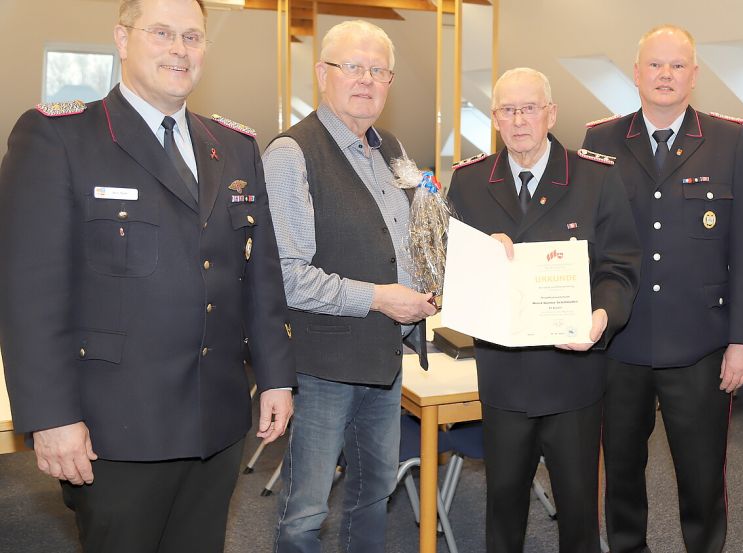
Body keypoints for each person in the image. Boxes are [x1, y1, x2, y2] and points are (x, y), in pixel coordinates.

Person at [0, 1, 296, 552]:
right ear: (122, 38)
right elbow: (29, 295)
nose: (179, 49)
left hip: (217, 419)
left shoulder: (234, 146)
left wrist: (277, 375)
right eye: (161, 33)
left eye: (192, 36)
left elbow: (259, 273)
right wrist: (51, 416)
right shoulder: (59, 138)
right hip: (115, 428)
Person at [582, 25, 743, 553]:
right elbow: (586, 240)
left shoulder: (730, 138)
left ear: (694, 75)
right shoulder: (601, 140)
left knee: (703, 476)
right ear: (636, 73)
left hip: (701, 344)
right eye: (655, 65)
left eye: (677, 65)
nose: (666, 75)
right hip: (621, 341)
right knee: (620, 469)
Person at [447, 67, 640, 553]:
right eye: (507, 111)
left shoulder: (596, 178)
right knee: (503, 510)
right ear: (494, 118)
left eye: (529, 108)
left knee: (578, 514)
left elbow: (619, 267)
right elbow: (446, 269)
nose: (518, 121)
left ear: (551, 113)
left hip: (573, 374)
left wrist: (602, 317)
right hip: (503, 377)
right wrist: (477, 258)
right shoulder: (469, 183)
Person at [262, 20, 435, 553]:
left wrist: (445, 271)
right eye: (352, 67)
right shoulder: (293, 154)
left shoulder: (393, 150)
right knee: (307, 511)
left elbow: (415, 239)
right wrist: (383, 297)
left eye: (378, 70)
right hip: (323, 368)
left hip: (384, 361)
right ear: (322, 75)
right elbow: (290, 278)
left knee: (373, 493)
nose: (366, 80)